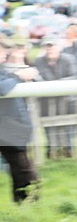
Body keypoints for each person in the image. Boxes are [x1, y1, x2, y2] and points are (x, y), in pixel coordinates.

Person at [0, 37, 40, 203]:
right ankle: (30, 202)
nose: (5, 54)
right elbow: (2, 88)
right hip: (7, 126)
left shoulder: (3, 69)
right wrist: (18, 76)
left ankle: (23, 203)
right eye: (2, 50)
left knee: (19, 167)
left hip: (10, 125)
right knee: (23, 168)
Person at [34, 37, 77, 159]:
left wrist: (55, 85)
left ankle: (68, 149)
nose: (49, 49)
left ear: (58, 47)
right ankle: (52, 149)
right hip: (46, 99)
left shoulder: (68, 58)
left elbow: (75, 76)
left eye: (52, 46)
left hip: (66, 98)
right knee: (48, 125)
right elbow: (39, 78)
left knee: (68, 124)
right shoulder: (39, 61)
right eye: (47, 46)